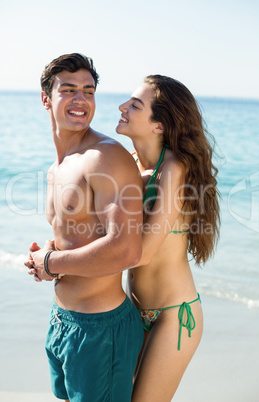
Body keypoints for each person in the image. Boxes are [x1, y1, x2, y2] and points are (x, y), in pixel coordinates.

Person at [25, 53, 145, 402]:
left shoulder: (105, 156)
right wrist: (45, 261)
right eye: (69, 90)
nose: (81, 100)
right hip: (62, 321)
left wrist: (50, 263)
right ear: (46, 98)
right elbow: (78, 236)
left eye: (89, 91)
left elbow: (126, 249)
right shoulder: (56, 168)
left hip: (101, 330)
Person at [115, 75, 221, 401]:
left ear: (159, 125)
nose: (122, 107)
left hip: (175, 316)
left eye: (135, 105)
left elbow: (142, 254)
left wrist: (61, 262)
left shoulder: (173, 168)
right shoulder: (129, 164)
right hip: (133, 312)